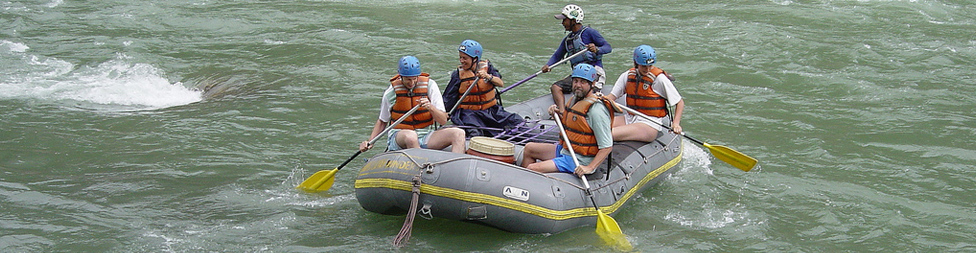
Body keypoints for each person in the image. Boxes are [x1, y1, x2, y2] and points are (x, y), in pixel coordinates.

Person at [521, 63, 615, 175]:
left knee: (532, 168)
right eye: (575, 81)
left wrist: (589, 167)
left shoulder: (596, 110)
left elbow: (607, 146)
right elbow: (567, 127)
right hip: (566, 150)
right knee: (529, 148)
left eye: (583, 82)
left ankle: (527, 182)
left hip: (579, 160)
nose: (578, 85)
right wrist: (555, 114)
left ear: (592, 84)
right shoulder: (574, 100)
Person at [359, 56, 466, 154]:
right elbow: (382, 121)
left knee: (458, 133)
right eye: (408, 79)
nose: (412, 82)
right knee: (411, 137)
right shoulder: (391, 93)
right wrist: (371, 141)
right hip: (400, 136)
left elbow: (443, 120)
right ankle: (421, 166)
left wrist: (430, 107)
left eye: (415, 78)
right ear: (401, 77)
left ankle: (458, 168)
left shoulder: (430, 86)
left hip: (425, 135)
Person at [541, 4, 612, 115]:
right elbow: (557, 56)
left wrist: (597, 49)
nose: (563, 23)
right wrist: (548, 65)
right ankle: (562, 112)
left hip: (594, 71)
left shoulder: (590, 33)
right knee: (555, 87)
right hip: (578, 74)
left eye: (565, 20)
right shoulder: (568, 40)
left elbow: (608, 47)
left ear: (574, 20)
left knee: (586, 94)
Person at [443, 39, 524, 137]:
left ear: (475, 59)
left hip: (490, 110)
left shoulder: (488, 68)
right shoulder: (457, 75)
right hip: (469, 114)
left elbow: (500, 83)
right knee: (475, 133)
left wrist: (488, 76)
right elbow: (448, 99)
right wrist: (443, 114)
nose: (461, 61)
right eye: (460, 57)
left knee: (517, 121)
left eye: (465, 58)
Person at [606, 45, 685, 142]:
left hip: (649, 124)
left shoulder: (660, 79)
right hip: (630, 118)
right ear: (636, 63)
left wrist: (676, 123)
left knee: (605, 134)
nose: (647, 70)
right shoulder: (627, 76)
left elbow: (679, 102)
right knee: (593, 128)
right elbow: (611, 97)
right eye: (644, 66)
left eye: (650, 66)